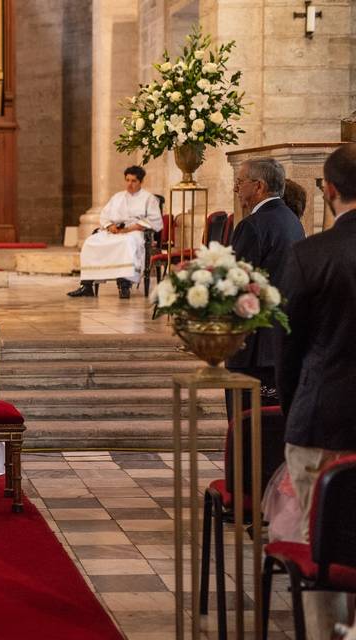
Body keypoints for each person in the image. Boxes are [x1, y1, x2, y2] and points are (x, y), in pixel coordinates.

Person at [277, 143, 356, 640]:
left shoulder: (311, 254)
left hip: (322, 418)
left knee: (321, 545)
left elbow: (289, 347)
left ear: (328, 189)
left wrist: (291, 409)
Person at [226, 158, 304, 413]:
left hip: (252, 348)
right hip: (278, 343)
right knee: (271, 433)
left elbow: (237, 285)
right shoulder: (292, 221)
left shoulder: (253, 225)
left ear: (258, 186)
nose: (236, 189)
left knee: (245, 432)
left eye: (240, 183)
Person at [69, 165, 162, 299]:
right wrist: (110, 225)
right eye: (127, 180)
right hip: (114, 231)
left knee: (126, 242)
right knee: (91, 242)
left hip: (135, 232)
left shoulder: (149, 198)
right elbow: (104, 216)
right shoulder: (117, 197)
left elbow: (155, 221)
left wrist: (130, 229)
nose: (130, 184)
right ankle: (87, 285)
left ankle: (124, 285)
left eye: (133, 181)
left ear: (141, 182)